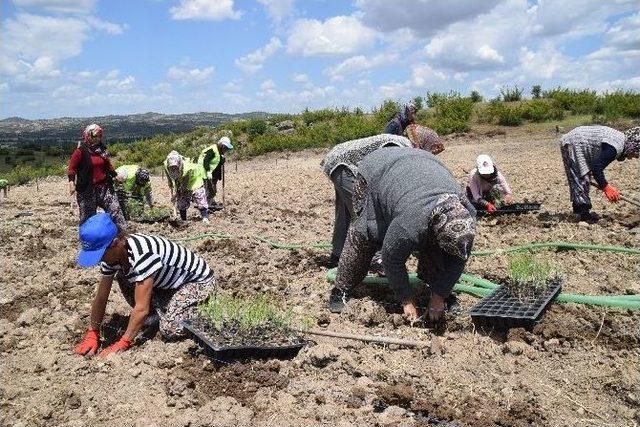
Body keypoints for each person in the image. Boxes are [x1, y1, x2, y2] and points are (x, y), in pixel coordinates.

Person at [328, 148, 476, 322]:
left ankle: (435, 287)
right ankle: (340, 290)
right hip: (376, 170)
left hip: (422, 168)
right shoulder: (409, 224)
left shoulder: (467, 216)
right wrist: (406, 299)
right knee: (366, 233)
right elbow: (391, 258)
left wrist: (439, 296)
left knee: (440, 248)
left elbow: (458, 258)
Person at [74, 212, 215, 357]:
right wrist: (93, 332)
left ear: (116, 243)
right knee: (124, 276)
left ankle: (203, 312)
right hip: (167, 285)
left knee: (169, 328)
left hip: (197, 283)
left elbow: (141, 309)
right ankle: (164, 309)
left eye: (101, 254)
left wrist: (124, 342)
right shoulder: (114, 256)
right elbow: (101, 297)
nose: (99, 260)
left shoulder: (142, 255)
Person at [321, 132, 444, 268]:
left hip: (338, 161)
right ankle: (377, 260)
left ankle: (337, 256)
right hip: (345, 164)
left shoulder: (403, 146)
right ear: (423, 145)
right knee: (364, 213)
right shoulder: (400, 147)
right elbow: (386, 176)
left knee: (345, 213)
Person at [560, 125, 640, 221]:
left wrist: (602, 183)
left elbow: (596, 169)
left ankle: (582, 212)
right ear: (634, 145)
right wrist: (606, 187)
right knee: (580, 177)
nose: (636, 156)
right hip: (574, 142)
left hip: (578, 141)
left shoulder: (620, 141)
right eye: (637, 152)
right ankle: (581, 213)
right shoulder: (616, 146)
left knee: (583, 177)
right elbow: (597, 168)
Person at [67, 124, 127, 232]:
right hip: (87, 190)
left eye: (99, 136)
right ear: (87, 136)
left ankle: (122, 236)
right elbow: (72, 168)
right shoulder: (80, 151)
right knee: (88, 219)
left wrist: (115, 175)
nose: (97, 139)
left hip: (104, 187)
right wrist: (71, 182)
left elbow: (108, 165)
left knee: (116, 211)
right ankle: (88, 241)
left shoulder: (103, 150)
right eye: (94, 136)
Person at [164, 150, 210, 223]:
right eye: (172, 168)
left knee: (199, 195)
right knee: (181, 201)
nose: (173, 169)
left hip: (194, 179)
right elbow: (167, 172)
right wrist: (170, 182)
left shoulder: (186, 168)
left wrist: (175, 196)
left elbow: (183, 188)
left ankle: (205, 217)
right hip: (180, 180)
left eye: (175, 168)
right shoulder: (166, 164)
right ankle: (183, 220)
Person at [197, 136, 234, 210]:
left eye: (227, 148)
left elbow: (217, 162)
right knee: (210, 189)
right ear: (221, 145)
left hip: (213, 173)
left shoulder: (219, 151)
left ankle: (211, 202)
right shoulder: (213, 150)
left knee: (213, 189)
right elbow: (206, 161)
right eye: (225, 148)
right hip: (206, 171)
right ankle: (206, 205)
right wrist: (208, 172)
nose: (226, 150)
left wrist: (222, 160)